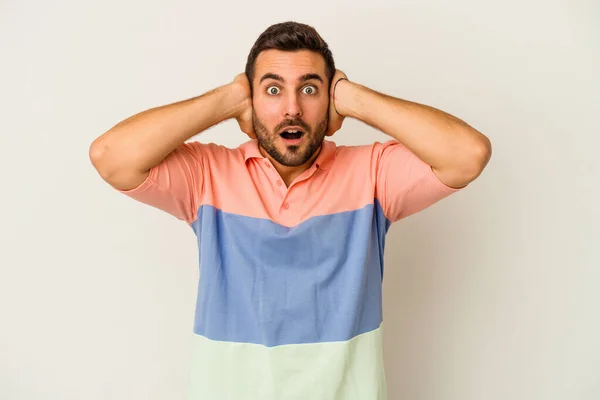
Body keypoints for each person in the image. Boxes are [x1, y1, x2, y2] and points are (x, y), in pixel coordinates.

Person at [89, 21, 491, 400]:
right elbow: (110, 157)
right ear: (251, 99)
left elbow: (467, 155)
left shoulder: (371, 174)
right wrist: (227, 98)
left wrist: (354, 98)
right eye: (273, 89)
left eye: (311, 90)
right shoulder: (207, 175)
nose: (292, 109)